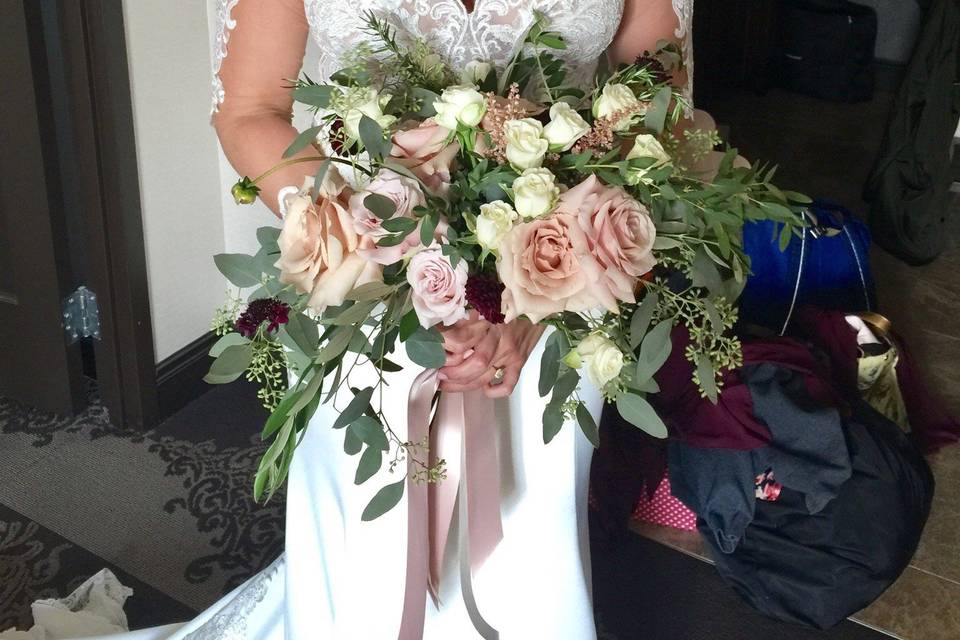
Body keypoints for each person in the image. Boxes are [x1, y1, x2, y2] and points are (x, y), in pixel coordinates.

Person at [18, 2, 695, 638]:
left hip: (562, 293)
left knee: (529, 554)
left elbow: (660, 111)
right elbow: (250, 109)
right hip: (363, 294)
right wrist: (391, 246)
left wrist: (539, 288)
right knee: (368, 564)